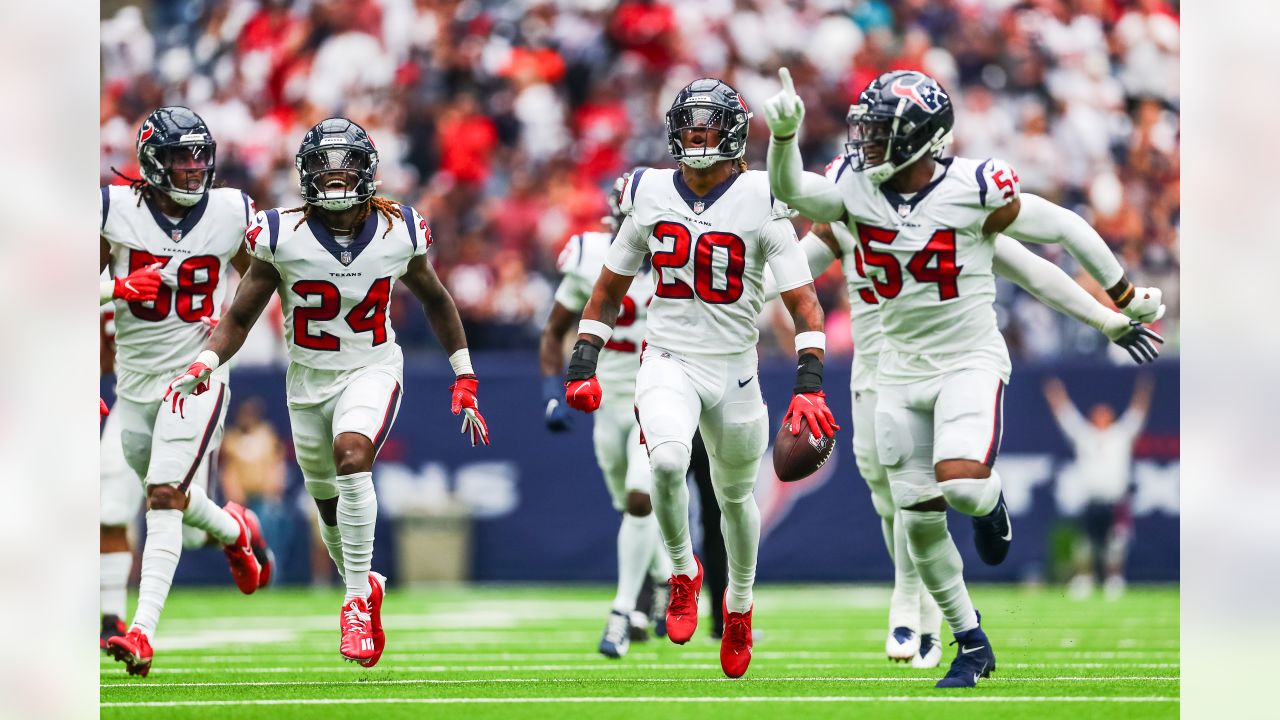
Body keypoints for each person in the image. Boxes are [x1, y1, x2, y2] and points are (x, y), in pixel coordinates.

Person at [764, 68, 1163, 687]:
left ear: (921, 141)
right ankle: (971, 642)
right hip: (894, 371)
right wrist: (784, 136)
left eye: (878, 133)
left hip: (965, 361)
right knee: (916, 520)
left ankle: (990, 501)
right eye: (864, 130)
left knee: (963, 486)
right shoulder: (853, 191)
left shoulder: (973, 191)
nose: (863, 143)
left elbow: (1056, 233)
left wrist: (1120, 297)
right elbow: (794, 192)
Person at [166, 117, 490, 667]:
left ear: (368, 172)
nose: (336, 177)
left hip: (371, 368)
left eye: (346, 166)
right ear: (305, 173)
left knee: (353, 454)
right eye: (324, 165)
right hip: (308, 381)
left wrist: (464, 373)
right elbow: (242, 315)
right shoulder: (279, 236)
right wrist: (203, 361)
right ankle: (368, 585)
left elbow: (436, 300)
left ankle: (356, 602)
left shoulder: (400, 231)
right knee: (328, 508)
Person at [564, 78, 838, 679]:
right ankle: (684, 574)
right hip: (667, 357)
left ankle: (737, 606)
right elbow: (609, 288)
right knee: (664, 463)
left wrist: (810, 381)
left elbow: (805, 305)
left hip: (736, 368)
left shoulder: (763, 197)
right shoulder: (649, 191)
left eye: (707, 125)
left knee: (735, 498)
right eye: (688, 124)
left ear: (733, 133)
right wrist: (584, 359)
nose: (695, 135)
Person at [100, 106, 273, 677]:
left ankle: (141, 633)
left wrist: (221, 336)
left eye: (201, 154)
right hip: (134, 383)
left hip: (195, 377)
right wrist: (118, 287)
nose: (195, 167)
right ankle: (236, 529)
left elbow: (261, 277)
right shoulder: (113, 210)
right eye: (181, 156)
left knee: (162, 496)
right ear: (153, 160)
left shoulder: (229, 211)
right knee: (167, 492)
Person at [540, 175, 672, 659]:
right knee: (629, 504)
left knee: (641, 500)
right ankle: (667, 578)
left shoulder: (684, 255)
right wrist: (550, 392)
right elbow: (555, 330)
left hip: (661, 394)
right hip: (607, 401)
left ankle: (621, 612)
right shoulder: (589, 255)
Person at [1044, 374, 1154, 600]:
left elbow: (1137, 414)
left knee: (1116, 543)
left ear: (1111, 418)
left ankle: (1114, 579)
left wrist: (1144, 391)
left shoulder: (1120, 435)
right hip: (1091, 500)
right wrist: (1055, 394)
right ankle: (1085, 578)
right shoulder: (1085, 435)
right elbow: (1066, 415)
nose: (1101, 418)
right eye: (1098, 414)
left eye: (1106, 415)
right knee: (1085, 543)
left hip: (1115, 500)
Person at [219, 396, 289, 586]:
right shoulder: (231, 438)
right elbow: (227, 469)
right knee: (241, 542)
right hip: (242, 499)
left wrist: (274, 487)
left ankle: (272, 579)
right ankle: (247, 580)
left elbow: (277, 462)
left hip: (264, 497)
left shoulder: (267, 435)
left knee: (269, 537)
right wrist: (232, 493)